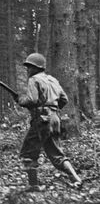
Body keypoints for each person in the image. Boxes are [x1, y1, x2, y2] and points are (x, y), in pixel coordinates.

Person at [15, 53, 82, 190]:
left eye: (30, 67)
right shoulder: (52, 80)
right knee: (56, 154)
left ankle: (33, 185)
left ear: (37, 68)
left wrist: (21, 100)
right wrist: (52, 110)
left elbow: (32, 100)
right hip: (55, 119)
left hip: (42, 119)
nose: (28, 70)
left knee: (28, 153)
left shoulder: (34, 80)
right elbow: (64, 100)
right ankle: (76, 179)